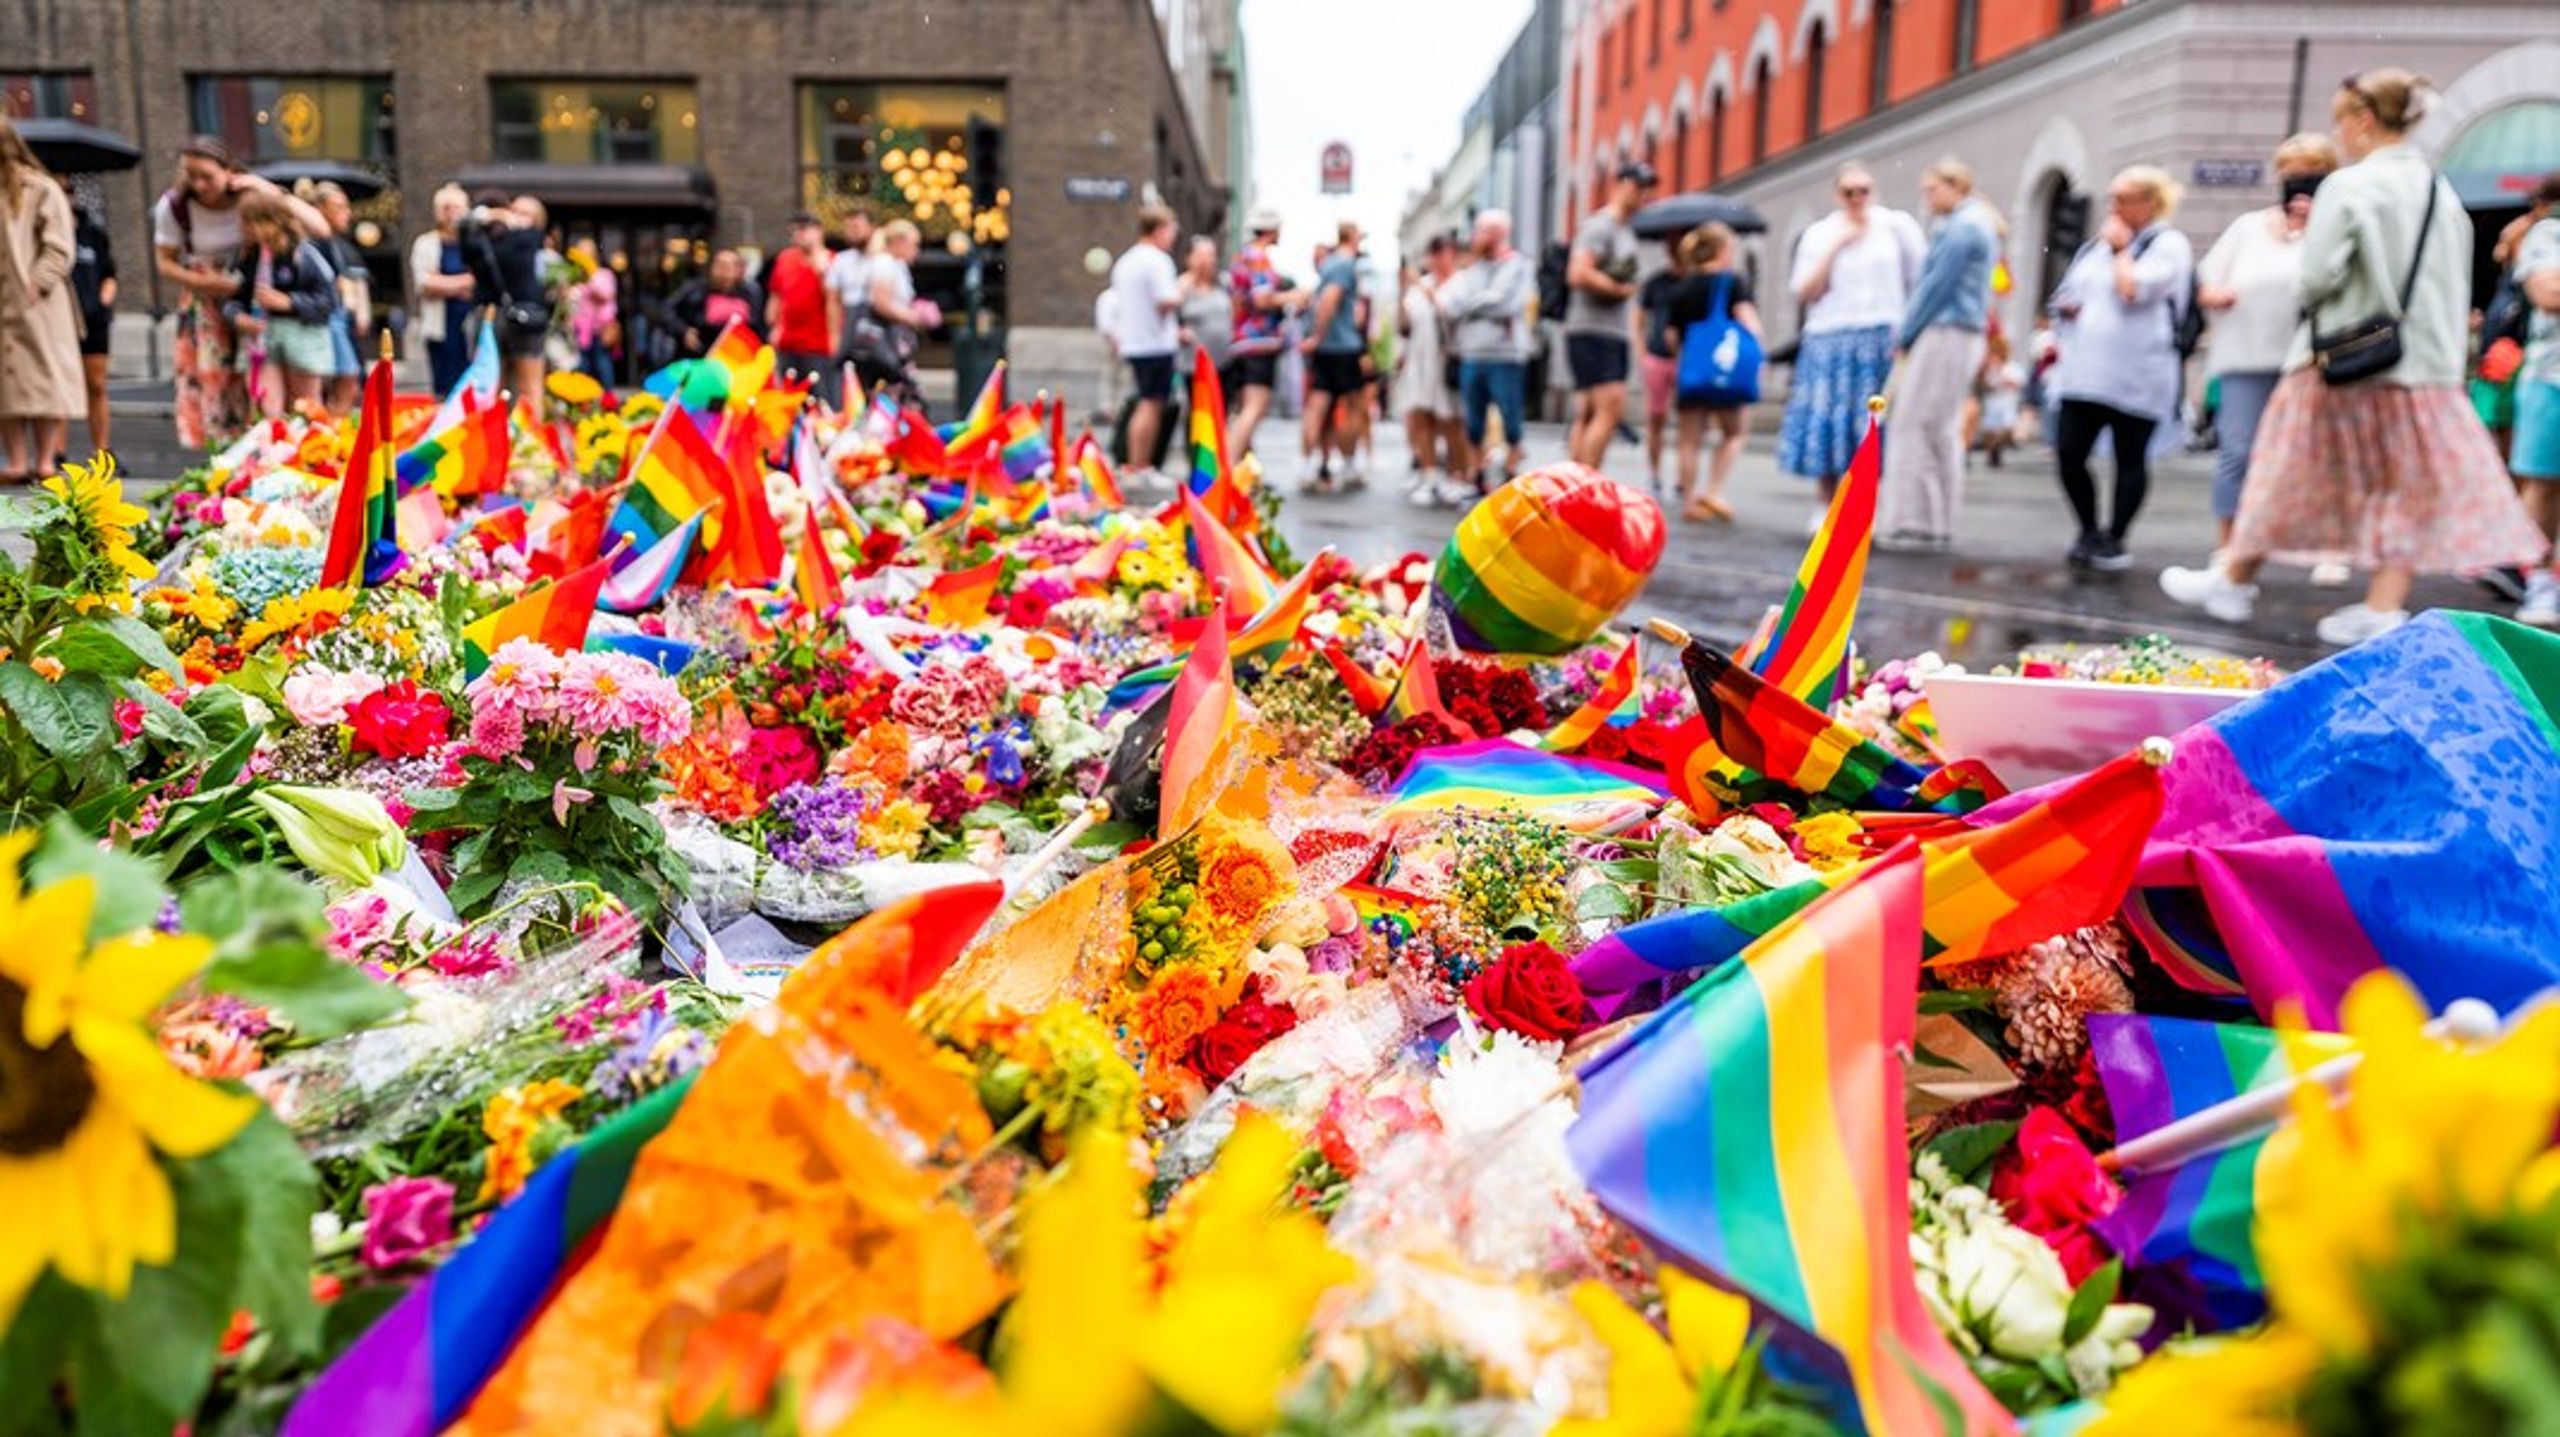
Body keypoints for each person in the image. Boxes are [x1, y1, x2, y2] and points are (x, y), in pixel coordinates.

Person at [2163, 69, 2544, 647]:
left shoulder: (2349, 186)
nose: (2338, 132)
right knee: (2404, 487)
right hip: (2425, 370)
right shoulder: (2441, 191)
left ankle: (2234, 579)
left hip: (2347, 358)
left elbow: (2316, 279)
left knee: (2284, 471)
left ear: (2364, 120)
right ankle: (2382, 606)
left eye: (2341, 119)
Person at [2193, 134, 2342, 557]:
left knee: (2314, 457)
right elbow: (2205, 281)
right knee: (2237, 454)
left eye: (2312, 172)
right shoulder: (2248, 227)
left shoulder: (2335, 228)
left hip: (2311, 362)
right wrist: (2216, 295)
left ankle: (2324, 548)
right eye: (2291, 173)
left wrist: (2319, 226)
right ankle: (2231, 548)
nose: (2299, 181)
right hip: (2246, 357)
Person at [2043, 165, 2193, 571]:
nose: (2113, 208)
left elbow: (2133, 289)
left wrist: (2121, 251)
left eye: (2122, 199)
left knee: (2130, 457)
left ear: (2150, 202)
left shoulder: (2167, 244)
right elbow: (2065, 296)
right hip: (2085, 373)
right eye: (2111, 198)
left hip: (2137, 373)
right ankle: (2088, 529)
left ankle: (2115, 537)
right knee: (2069, 453)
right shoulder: (2094, 247)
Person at [153, 136, 325, 448]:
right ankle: (226, 457)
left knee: (265, 385)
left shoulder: (251, 197)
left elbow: (319, 228)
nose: (199, 184)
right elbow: (164, 262)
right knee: (215, 382)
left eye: (207, 175)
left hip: (258, 300)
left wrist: (264, 188)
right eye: (190, 175)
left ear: (229, 171)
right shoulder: (176, 206)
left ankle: (280, 452)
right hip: (208, 302)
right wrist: (207, 283)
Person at [1781, 163, 1926, 508]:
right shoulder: (1820, 233)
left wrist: (1908, 331)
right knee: (1828, 420)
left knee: (1872, 424)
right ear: (1838, 195)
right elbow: (1804, 289)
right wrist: (1838, 245)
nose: (1858, 198)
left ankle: (1864, 507)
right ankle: (1825, 502)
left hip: (1879, 333)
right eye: (1849, 191)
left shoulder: (1895, 226)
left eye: (1864, 190)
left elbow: (1919, 277)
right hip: (1830, 334)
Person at [1878, 158, 2001, 552]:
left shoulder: (1961, 227)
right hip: (1960, 332)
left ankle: (1911, 520)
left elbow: (1934, 287)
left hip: (1944, 331)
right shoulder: (1977, 224)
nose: (1927, 199)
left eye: (1932, 190)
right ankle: (1934, 518)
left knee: (1915, 424)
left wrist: (1907, 331)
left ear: (1956, 187)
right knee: (1940, 427)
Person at [0, 116, 82, 481]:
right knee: (6, 381)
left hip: (36, 299)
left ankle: (46, 458)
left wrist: (39, 281)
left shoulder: (40, 188)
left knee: (44, 373)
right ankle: (16, 460)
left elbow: (60, 244)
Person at [1663, 223, 1762, 522]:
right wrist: (1756, 355)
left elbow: (1670, 336)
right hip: (1726, 373)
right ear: (1722, 250)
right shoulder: (1731, 282)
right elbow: (1750, 323)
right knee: (1734, 432)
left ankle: (1690, 500)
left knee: (1688, 439)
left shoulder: (1681, 287)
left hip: (1693, 372)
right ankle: (1714, 490)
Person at [1565, 161, 1655, 471]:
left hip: (1603, 330)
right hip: (1594, 329)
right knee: (1609, 409)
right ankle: (1586, 485)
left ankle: (1575, 488)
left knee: (1590, 411)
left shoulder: (1624, 230)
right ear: (1620, 185)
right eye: (1637, 186)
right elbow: (1577, 273)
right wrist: (1620, 289)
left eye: (1646, 188)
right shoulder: (1601, 226)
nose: (1643, 194)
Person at [224, 190, 341, 417]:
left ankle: (310, 449)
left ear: (269, 222)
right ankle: (273, 447)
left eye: (247, 221)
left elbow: (329, 301)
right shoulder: (245, 256)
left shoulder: (303, 254)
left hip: (301, 336)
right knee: (267, 408)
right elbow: (232, 297)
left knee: (305, 406)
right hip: (260, 337)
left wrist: (289, 302)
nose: (241, 227)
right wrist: (237, 316)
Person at [1445, 208, 1535, 494]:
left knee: (1511, 419)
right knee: (1473, 421)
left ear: (1498, 233)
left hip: (1506, 355)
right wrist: (1486, 301)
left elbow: (1508, 305)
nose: (1475, 237)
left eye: (1482, 230)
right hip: (1471, 353)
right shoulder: (1470, 271)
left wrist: (1475, 304)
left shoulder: (1519, 265)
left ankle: (1510, 473)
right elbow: (1452, 304)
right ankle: (1477, 477)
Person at [2507, 175, 2560, 623]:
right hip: (2551, 375)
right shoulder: (2547, 232)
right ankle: (2538, 582)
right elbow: (2548, 293)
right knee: (2542, 483)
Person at [1107, 205, 1183, 489]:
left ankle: (1135, 464)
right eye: (1172, 230)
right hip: (1155, 343)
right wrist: (1182, 291)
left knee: (1145, 401)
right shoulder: (1158, 261)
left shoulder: (1126, 261)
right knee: (1151, 404)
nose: (1173, 237)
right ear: (1160, 229)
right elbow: (1166, 301)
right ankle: (1141, 466)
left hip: (1135, 342)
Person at [1225, 210, 1300, 466]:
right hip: (1258, 341)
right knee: (1255, 407)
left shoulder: (1241, 256)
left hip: (1241, 340)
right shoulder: (1258, 257)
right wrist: (1293, 297)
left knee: (1245, 407)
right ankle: (1230, 466)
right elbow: (1262, 298)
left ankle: (1245, 470)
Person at [460, 189, 551, 401]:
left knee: (529, 385)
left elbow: (511, 253)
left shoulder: (531, 238)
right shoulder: (490, 240)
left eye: (526, 214)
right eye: (515, 210)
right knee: (491, 382)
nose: (517, 216)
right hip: (491, 314)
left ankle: (531, 432)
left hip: (525, 316)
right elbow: (469, 251)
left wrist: (499, 217)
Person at [1395, 240, 1467, 502]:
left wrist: (1421, 287)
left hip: (1446, 360)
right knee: (1420, 418)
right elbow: (1404, 325)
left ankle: (1456, 476)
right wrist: (1402, 291)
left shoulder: (1460, 283)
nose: (1436, 259)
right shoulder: (1418, 287)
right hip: (1419, 359)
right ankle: (1428, 475)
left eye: (1441, 253)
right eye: (1432, 253)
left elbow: (1449, 312)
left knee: (1450, 422)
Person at [1301, 220, 1369, 492]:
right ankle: (1348, 461)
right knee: (1351, 407)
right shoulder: (1343, 264)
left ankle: (1313, 462)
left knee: (1321, 407)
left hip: (1328, 347)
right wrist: (1319, 335)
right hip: (1341, 346)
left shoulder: (1329, 264)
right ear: (1351, 237)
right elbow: (1330, 299)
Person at [302, 181, 371, 411]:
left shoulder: (335, 244)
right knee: (341, 381)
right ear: (319, 209)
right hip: (324, 318)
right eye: (339, 207)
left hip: (337, 317)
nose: (347, 214)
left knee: (348, 381)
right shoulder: (311, 243)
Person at [852, 219, 934, 409]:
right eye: (914, 245)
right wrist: (913, 317)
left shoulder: (896, 265)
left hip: (896, 342)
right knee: (900, 393)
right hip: (888, 341)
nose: (917, 251)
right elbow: (881, 303)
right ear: (898, 242)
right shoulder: (884, 264)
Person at [410, 183, 478, 395]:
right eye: (446, 208)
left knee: (472, 382)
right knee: (445, 384)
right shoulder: (427, 243)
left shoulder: (473, 243)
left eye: (457, 208)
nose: (452, 214)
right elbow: (425, 284)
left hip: (471, 321)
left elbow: (482, 280)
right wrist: (464, 282)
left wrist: (445, 283)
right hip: (440, 323)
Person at [765, 211, 835, 404]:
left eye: (804, 229)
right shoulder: (785, 258)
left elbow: (835, 302)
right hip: (788, 342)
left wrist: (822, 273)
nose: (799, 235)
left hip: (818, 345)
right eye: (794, 231)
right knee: (788, 399)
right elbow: (776, 296)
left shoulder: (832, 261)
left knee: (820, 398)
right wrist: (773, 326)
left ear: (819, 231)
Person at [1635, 242, 1685, 493]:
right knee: (1656, 417)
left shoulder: (1696, 283)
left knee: (1688, 420)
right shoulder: (1658, 282)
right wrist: (1641, 352)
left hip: (1687, 359)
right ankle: (1654, 474)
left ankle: (1683, 479)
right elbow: (1639, 318)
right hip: (1657, 356)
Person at [68, 194, 115, 459]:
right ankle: (56, 453)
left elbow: (109, 273)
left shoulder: (92, 233)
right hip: (61, 320)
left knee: (96, 384)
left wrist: (102, 303)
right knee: (61, 387)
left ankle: (102, 450)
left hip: (93, 318)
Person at [669, 247, 762, 357]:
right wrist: (683, 330)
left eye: (730, 267)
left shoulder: (750, 293)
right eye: (720, 266)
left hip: (736, 359)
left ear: (739, 270)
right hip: (699, 356)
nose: (725, 273)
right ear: (712, 268)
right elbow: (667, 309)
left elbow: (758, 326)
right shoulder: (695, 289)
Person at [824, 204, 876, 388]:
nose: (851, 232)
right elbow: (833, 301)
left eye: (856, 227)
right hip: (851, 327)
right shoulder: (841, 260)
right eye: (848, 228)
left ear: (871, 228)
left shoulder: (883, 259)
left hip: (877, 327)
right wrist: (835, 337)